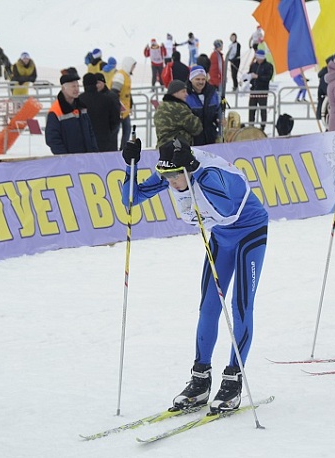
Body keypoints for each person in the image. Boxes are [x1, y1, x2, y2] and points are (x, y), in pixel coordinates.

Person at [120, 137, 268, 413]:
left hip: (250, 232)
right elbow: (131, 198)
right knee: (209, 307)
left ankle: (233, 379)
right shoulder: (173, 170)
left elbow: (227, 210)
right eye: (166, 176)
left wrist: (195, 194)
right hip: (221, 237)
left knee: (240, 305)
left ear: (188, 168)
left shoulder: (211, 176)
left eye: (175, 177)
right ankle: (200, 379)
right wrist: (130, 166)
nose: (171, 182)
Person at [45, 72, 99, 154]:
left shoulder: (82, 107)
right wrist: (65, 157)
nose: (76, 89)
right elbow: (52, 139)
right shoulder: (55, 111)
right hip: (69, 160)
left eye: (77, 86)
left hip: (87, 158)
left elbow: (90, 132)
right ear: (63, 88)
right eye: (73, 86)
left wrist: (94, 152)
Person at [154, 80, 203, 147]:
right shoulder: (179, 108)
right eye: (183, 91)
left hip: (162, 147)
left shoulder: (161, 106)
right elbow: (197, 128)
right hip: (177, 148)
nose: (186, 94)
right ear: (175, 93)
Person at [79, 73, 120, 152]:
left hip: (85, 142)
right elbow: (115, 120)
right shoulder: (107, 99)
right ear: (95, 83)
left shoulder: (79, 100)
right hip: (105, 141)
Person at [185, 65, 222, 145]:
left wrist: (219, 118)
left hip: (210, 137)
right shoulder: (185, 95)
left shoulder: (212, 93)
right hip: (192, 139)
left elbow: (217, 110)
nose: (201, 82)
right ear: (191, 79)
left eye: (203, 79)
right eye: (197, 79)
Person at [112, 56, 136, 150]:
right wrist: (119, 106)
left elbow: (127, 93)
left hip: (125, 110)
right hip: (118, 110)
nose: (133, 68)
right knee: (116, 131)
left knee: (127, 130)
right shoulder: (120, 76)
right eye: (133, 66)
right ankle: (114, 150)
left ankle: (123, 149)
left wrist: (130, 105)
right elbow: (114, 92)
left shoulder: (127, 76)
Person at [247, 49, 273, 131]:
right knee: (252, 109)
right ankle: (251, 125)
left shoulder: (268, 66)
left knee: (263, 109)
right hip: (253, 90)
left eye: (259, 57)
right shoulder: (253, 65)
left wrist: (258, 77)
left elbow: (268, 77)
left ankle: (263, 126)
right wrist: (248, 77)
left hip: (263, 90)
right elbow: (249, 74)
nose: (258, 59)